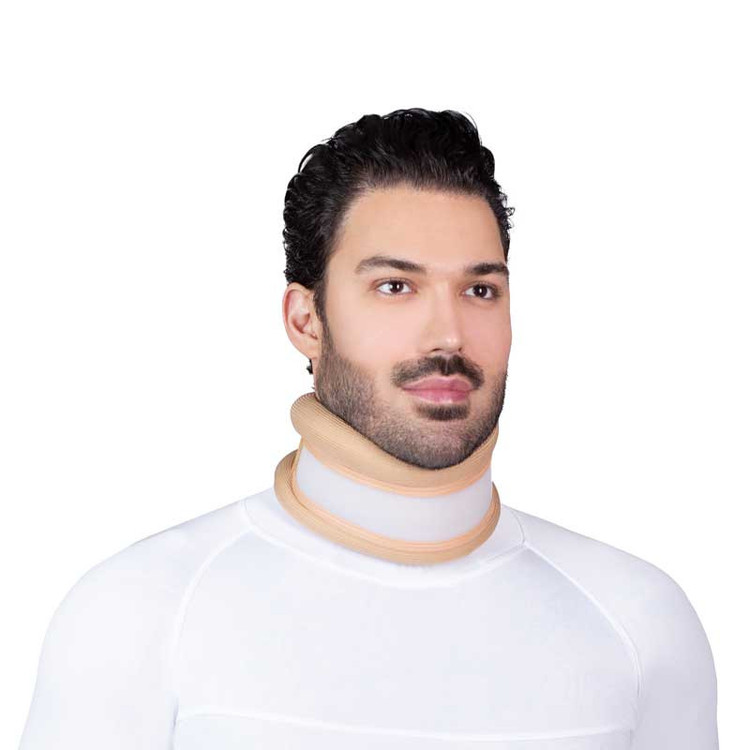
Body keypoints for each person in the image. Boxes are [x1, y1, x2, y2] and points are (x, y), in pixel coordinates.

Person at [18, 108, 719, 749]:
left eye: (480, 290)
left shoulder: (639, 622)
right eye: (395, 286)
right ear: (306, 320)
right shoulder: (140, 614)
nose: (449, 335)